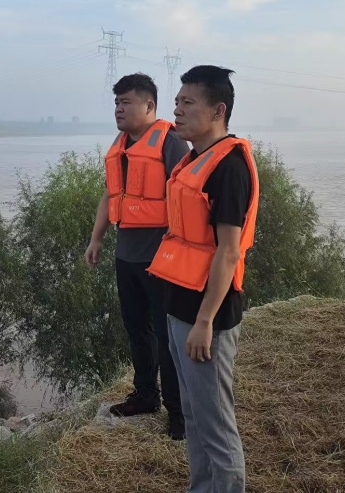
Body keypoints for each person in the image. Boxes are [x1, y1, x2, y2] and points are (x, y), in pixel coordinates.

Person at [147, 65, 259, 493]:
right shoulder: (193, 159)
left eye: (187, 102)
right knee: (193, 415)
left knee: (216, 426)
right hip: (179, 306)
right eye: (176, 102)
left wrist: (205, 321)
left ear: (218, 110)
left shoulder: (228, 168)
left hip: (207, 316)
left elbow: (229, 251)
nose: (176, 110)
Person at [85, 72, 190, 440]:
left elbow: (188, 196)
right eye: (116, 102)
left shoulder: (170, 142)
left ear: (149, 106)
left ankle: (179, 413)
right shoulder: (121, 144)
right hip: (126, 256)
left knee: (168, 335)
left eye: (126, 102)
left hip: (161, 260)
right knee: (137, 330)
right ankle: (146, 395)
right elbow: (110, 196)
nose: (118, 109)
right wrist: (96, 239)